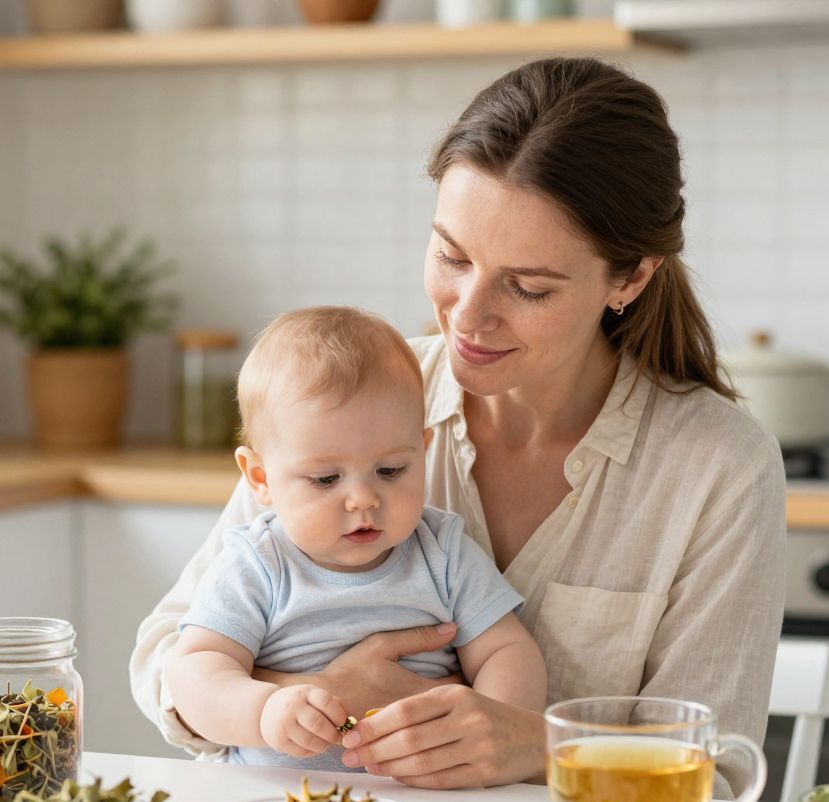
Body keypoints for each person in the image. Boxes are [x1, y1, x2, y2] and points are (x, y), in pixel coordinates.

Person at [131, 57, 786, 795]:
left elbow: (719, 773)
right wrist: (317, 695)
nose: (468, 316)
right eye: (451, 255)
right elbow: (165, 658)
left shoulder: (718, 469)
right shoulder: (350, 404)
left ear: (630, 278)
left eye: (527, 286)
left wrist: (538, 746)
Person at [165, 306, 547, 773]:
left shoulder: (442, 550)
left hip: (430, 800)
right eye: (326, 479)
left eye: (391, 471)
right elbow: (194, 671)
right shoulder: (257, 562)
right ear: (260, 478)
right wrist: (263, 711)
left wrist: (492, 726)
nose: (363, 499)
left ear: (423, 451)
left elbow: (508, 651)